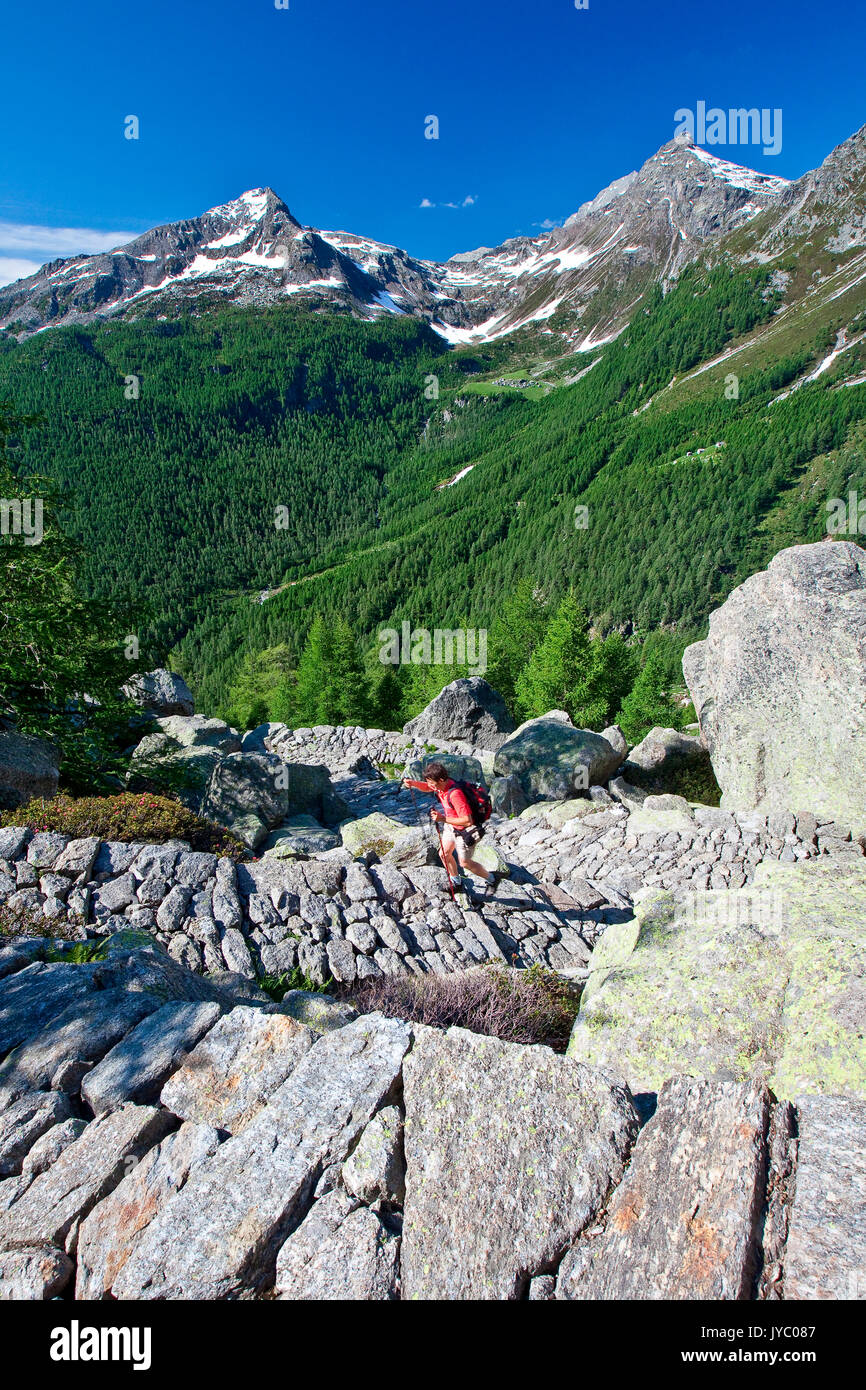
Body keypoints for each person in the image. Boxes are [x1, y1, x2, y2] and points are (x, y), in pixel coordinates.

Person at [402, 761, 503, 896]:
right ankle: (456, 882)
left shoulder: (455, 794)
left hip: (466, 831)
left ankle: (492, 879)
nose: (431, 785)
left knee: (465, 863)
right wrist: (413, 783)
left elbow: (468, 820)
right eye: (429, 781)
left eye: (432, 782)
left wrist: (442, 819)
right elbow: (427, 787)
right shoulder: (440, 785)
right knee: (444, 853)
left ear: (442, 779)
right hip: (451, 826)